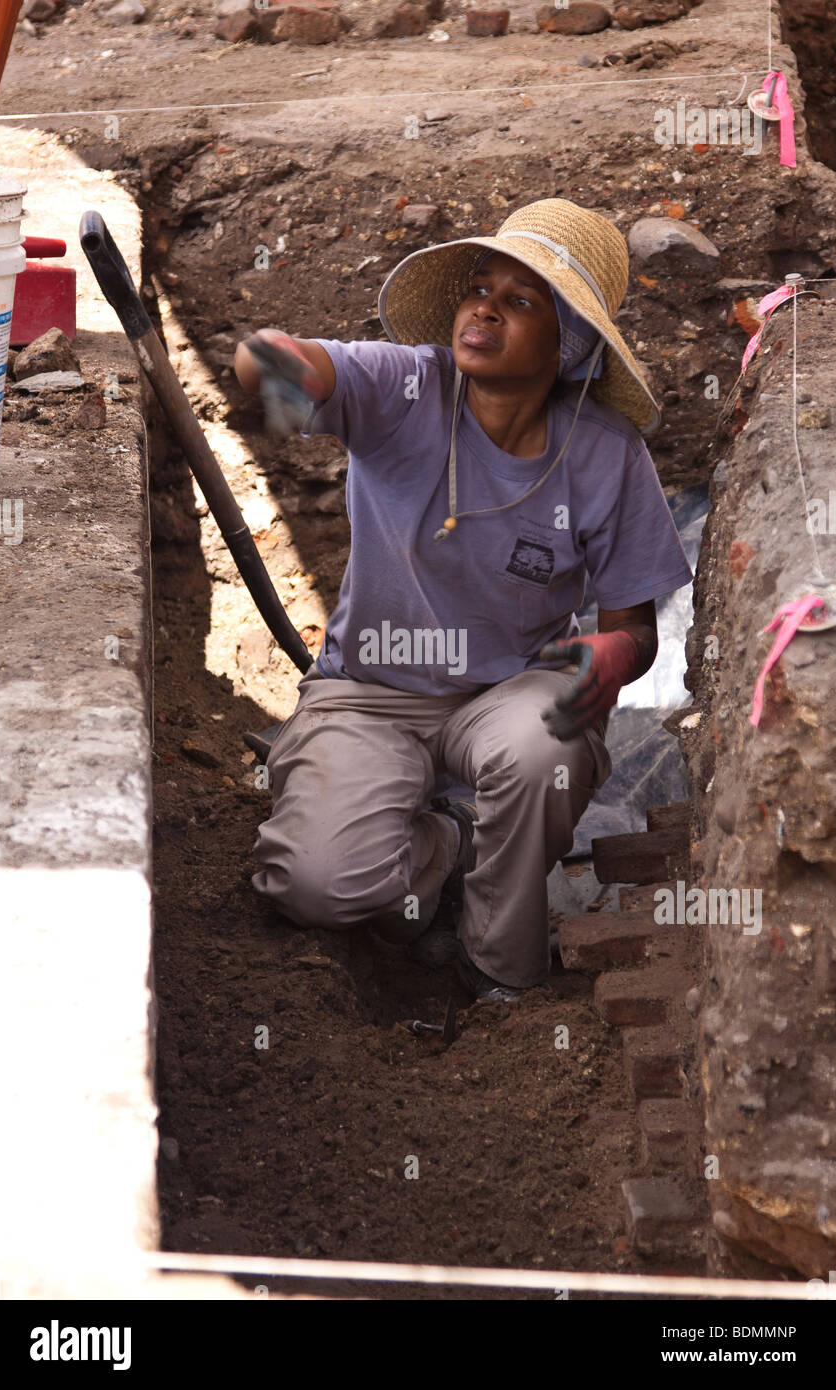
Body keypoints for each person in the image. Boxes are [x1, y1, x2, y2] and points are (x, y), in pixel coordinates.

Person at [233, 198, 694, 1004]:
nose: (483, 307)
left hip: (509, 690)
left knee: (545, 743)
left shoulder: (606, 456)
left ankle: (501, 973)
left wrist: (609, 657)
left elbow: (634, 629)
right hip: (372, 693)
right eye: (479, 288)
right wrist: (277, 362)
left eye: (520, 301)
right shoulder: (405, 386)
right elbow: (287, 365)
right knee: (316, 886)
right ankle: (448, 840)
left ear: (570, 345)